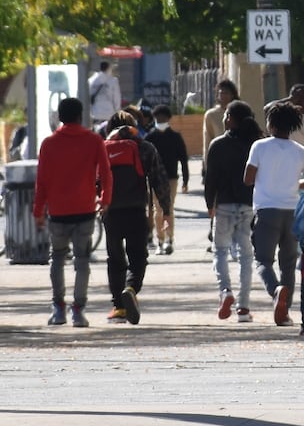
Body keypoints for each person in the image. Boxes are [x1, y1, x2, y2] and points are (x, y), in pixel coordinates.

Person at [34, 97, 112, 328]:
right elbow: (106, 174)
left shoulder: (49, 143)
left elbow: (42, 181)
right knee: (82, 261)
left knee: (57, 258)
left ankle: (58, 308)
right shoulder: (94, 140)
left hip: (58, 212)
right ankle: (78, 310)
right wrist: (104, 199)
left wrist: (38, 211)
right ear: (81, 116)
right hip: (85, 210)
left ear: (59, 117)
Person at [245, 100, 304, 326]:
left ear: (271, 124)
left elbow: (248, 178)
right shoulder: (301, 151)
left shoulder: (259, 147)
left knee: (263, 260)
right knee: (288, 263)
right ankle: (284, 312)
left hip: (266, 210)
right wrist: (294, 182)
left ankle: (276, 292)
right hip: (292, 211)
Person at [102, 112, 171, 325]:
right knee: (138, 255)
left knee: (114, 258)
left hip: (110, 211)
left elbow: (93, 179)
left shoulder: (103, 148)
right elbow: (159, 179)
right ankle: (131, 287)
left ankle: (119, 307)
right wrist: (166, 209)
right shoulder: (145, 147)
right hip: (136, 209)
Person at [206, 99, 261, 322]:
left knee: (220, 251)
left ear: (231, 119)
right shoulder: (255, 144)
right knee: (246, 256)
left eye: (227, 115)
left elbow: (211, 180)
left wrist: (210, 205)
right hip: (249, 205)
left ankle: (225, 291)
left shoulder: (218, 145)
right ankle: (243, 307)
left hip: (225, 206)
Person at [145, 104, 190, 255]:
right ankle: (160, 240)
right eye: (157, 117)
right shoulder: (150, 137)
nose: (160, 120)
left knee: (168, 209)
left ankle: (169, 239)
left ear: (168, 118)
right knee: (158, 210)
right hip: (154, 179)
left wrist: (186, 180)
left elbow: (183, 159)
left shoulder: (175, 137)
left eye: (163, 117)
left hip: (171, 178)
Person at [201, 79, 237, 179]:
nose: (223, 96)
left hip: (237, 158)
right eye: (221, 93)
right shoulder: (211, 115)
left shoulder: (239, 111)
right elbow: (207, 140)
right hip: (219, 160)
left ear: (232, 95)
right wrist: (206, 165)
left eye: (226, 93)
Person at [87, 61, 122, 133]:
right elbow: (116, 98)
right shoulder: (113, 80)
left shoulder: (92, 80)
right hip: (109, 113)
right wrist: (117, 111)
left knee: (96, 133)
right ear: (108, 68)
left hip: (95, 113)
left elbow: (88, 97)